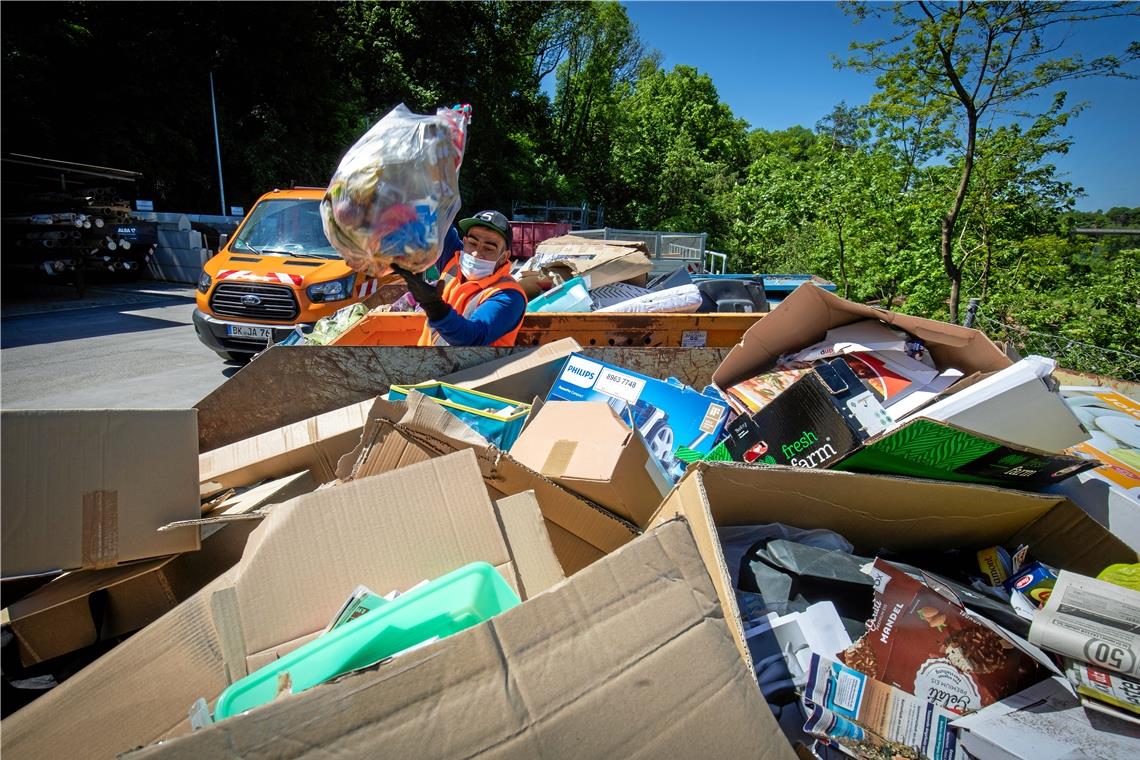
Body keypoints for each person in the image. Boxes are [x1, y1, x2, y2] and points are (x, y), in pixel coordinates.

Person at [392, 210, 527, 346]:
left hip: (476, 368)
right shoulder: (453, 259)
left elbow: (472, 338)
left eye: (488, 248)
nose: (476, 254)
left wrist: (435, 307)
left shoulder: (509, 296)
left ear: (504, 256)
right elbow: (432, 216)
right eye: (472, 243)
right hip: (428, 361)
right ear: (464, 242)